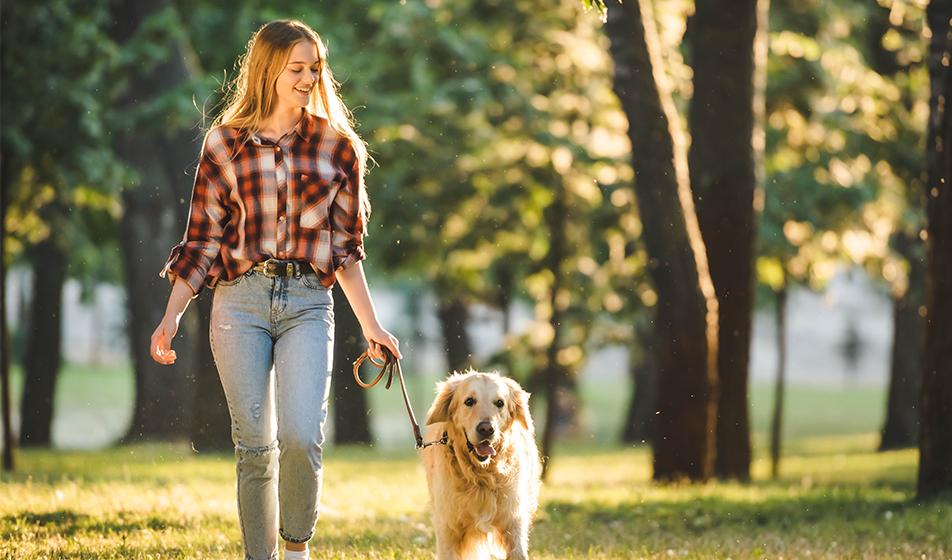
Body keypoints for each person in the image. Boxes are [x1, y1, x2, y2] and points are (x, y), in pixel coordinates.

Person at [149, 19, 400, 560]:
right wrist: (171, 317)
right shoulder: (225, 145)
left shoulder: (339, 149)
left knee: (302, 438)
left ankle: (295, 549)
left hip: (309, 303)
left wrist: (373, 327)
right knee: (255, 447)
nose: (310, 78)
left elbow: (346, 251)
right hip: (238, 303)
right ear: (269, 70)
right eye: (298, 69)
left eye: (316, 68)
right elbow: (201, 243)